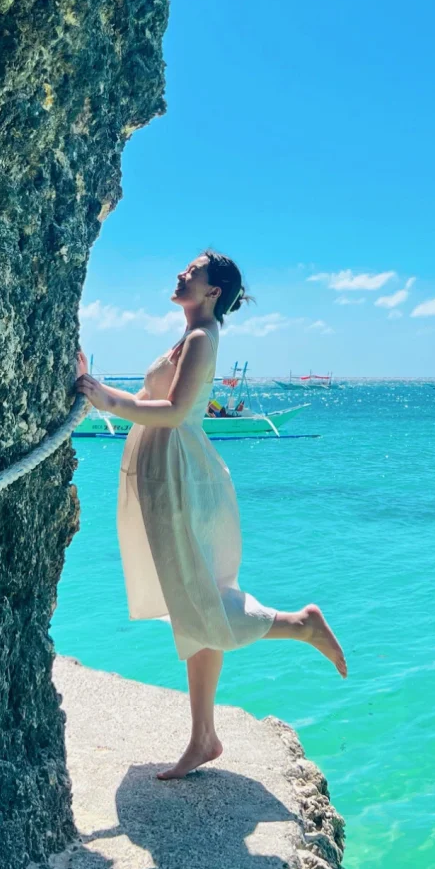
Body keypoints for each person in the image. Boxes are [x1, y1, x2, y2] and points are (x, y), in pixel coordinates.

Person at [75, 250, 347, 780]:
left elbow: (175, 412)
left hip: (179, 476)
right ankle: (204, 736)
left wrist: (105, 401)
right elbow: (151, 398)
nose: (181, 274)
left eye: (192, 271)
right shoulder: (187, 336)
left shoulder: (201, 339)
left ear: (212, 291)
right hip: (166, 472)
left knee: (197, 598)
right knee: (191, 601)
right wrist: (96, 390)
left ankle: (300, 625)